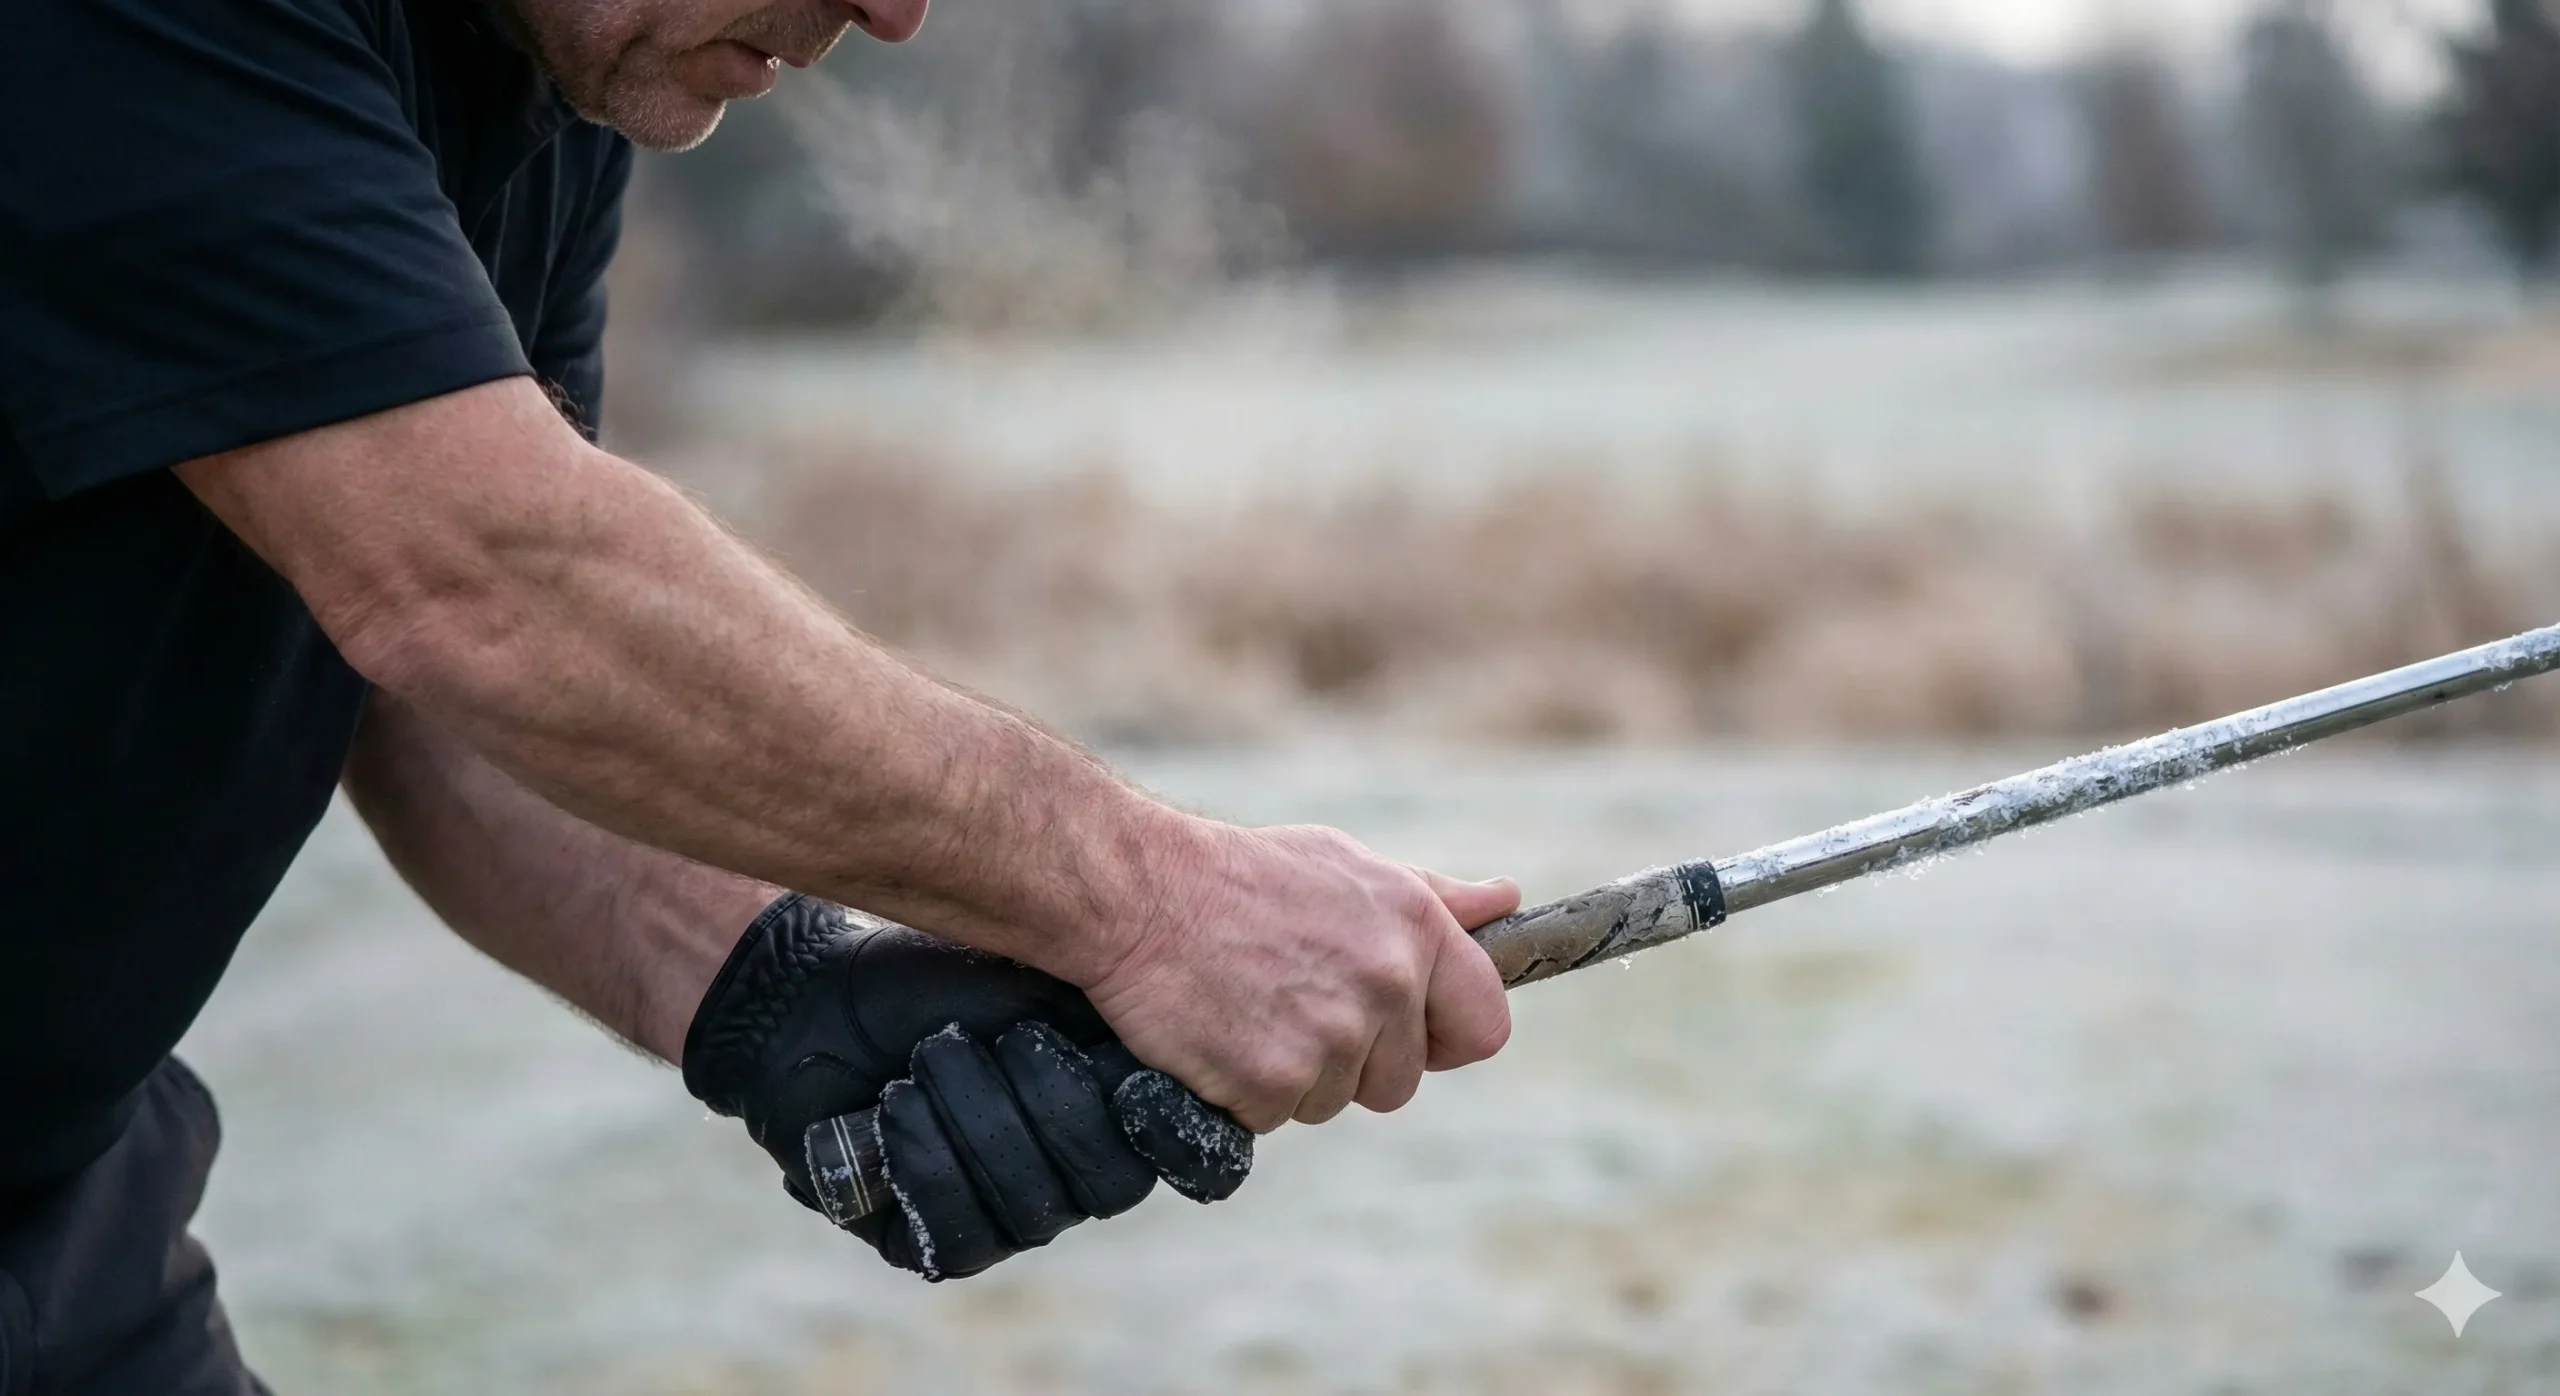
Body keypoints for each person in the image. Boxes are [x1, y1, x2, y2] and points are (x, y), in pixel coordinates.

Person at [0, 0, 1521, 1389]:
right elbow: (482, 578)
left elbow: (459, 697)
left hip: (64, 1224)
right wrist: (1150, 901)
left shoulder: (542, 94)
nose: (898, 13)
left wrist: (775, 989)